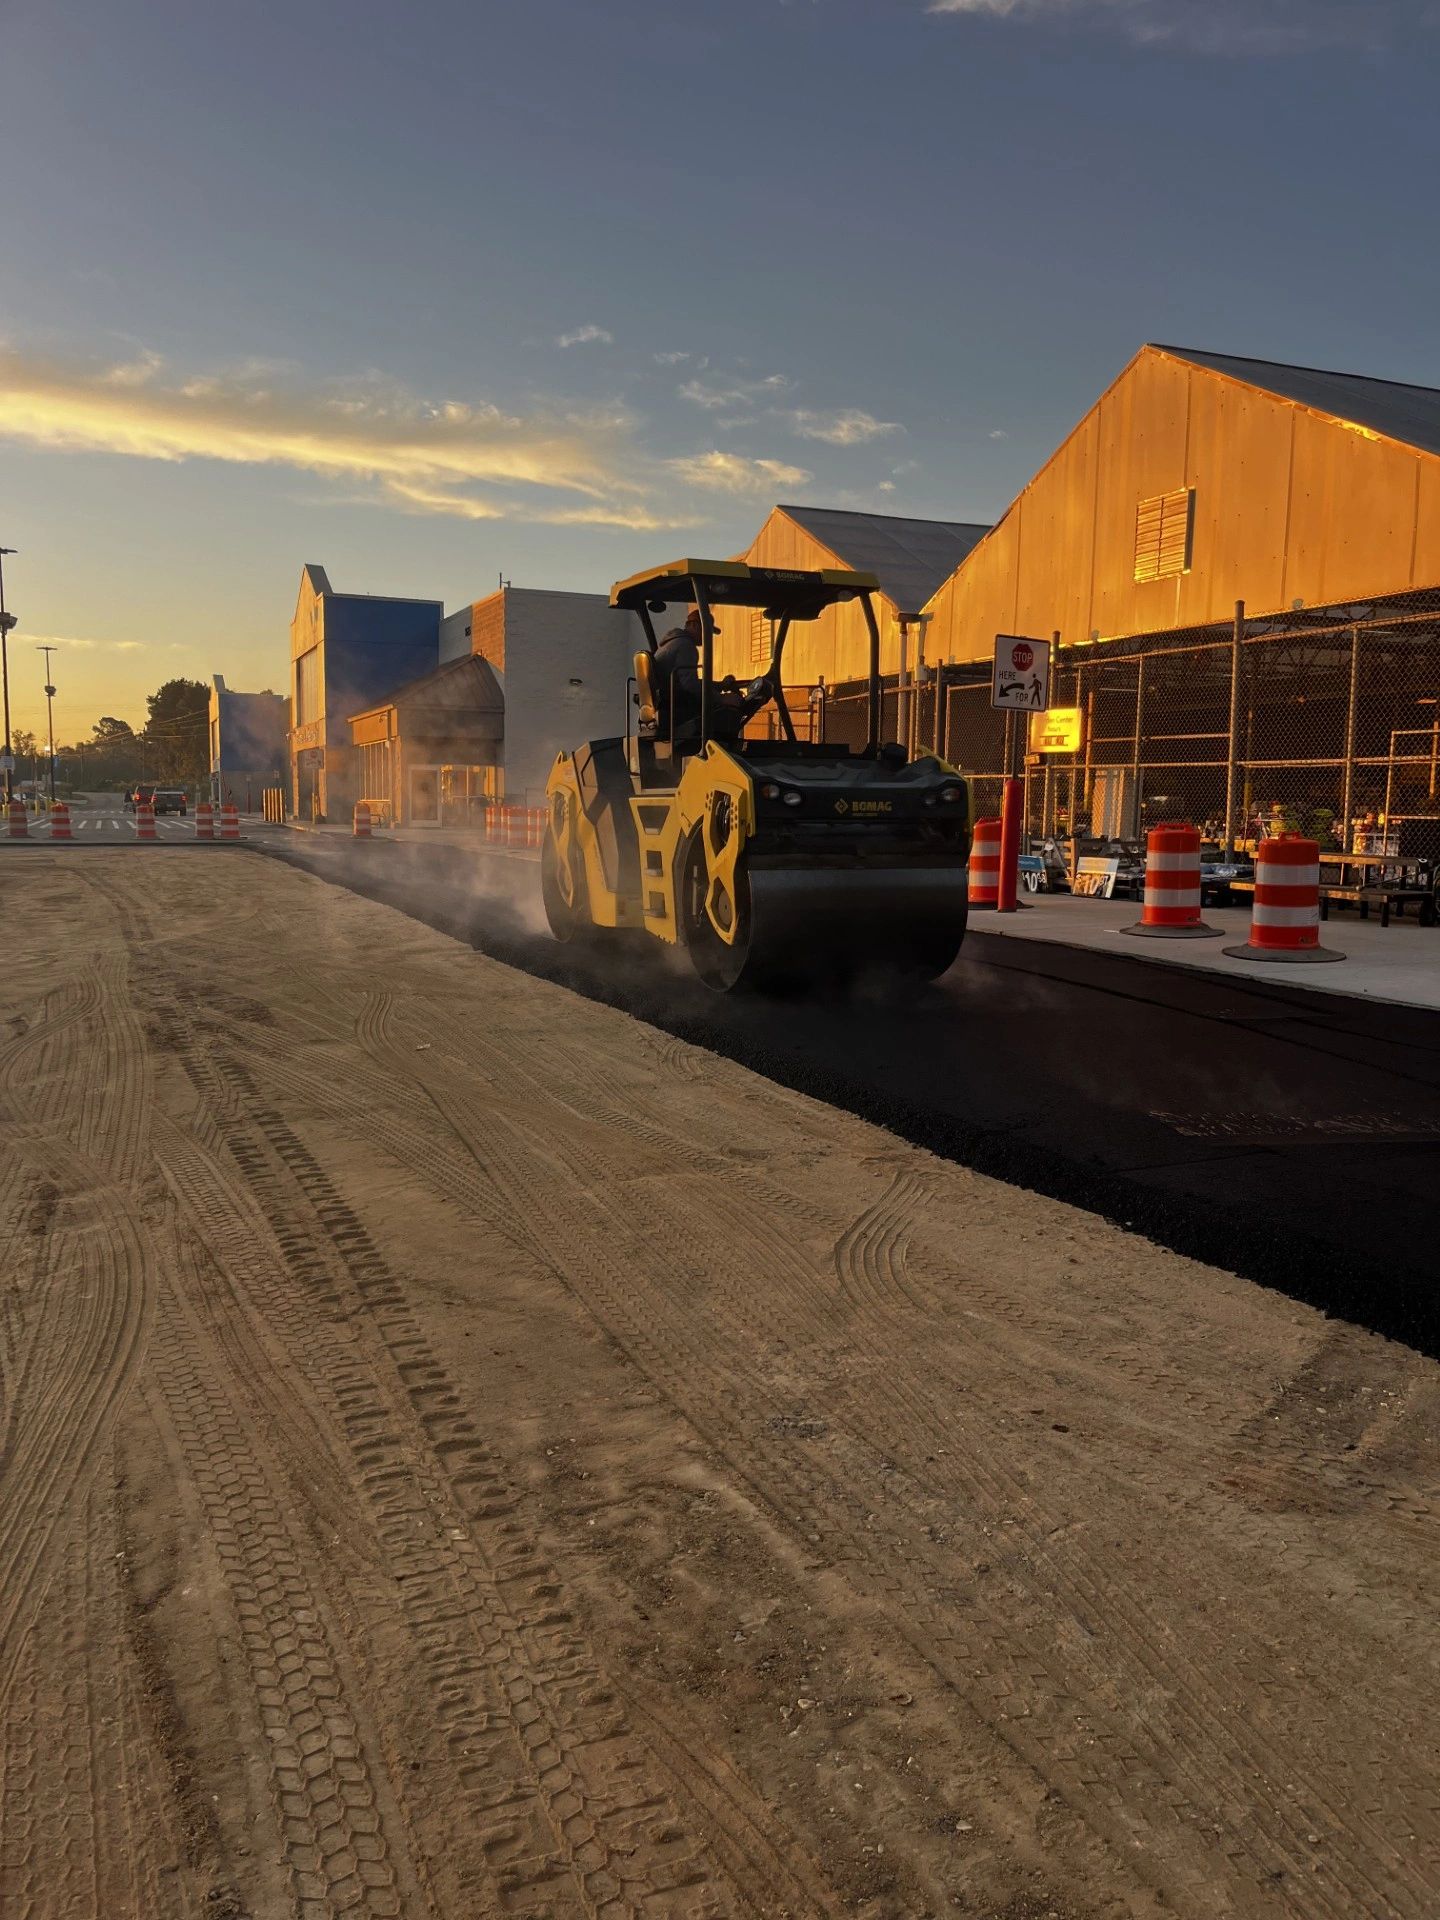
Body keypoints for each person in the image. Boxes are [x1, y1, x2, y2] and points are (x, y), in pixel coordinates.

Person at [650, 607, 704, 740]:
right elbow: (690, 686)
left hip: (665, 703)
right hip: (674, 707)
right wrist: (720, 698)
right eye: (705, 631)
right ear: (694, 625)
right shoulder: (686, 646)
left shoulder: (670, 643)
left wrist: (719, 685)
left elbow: (685, 681)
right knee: (722, 710)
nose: (706, 637)